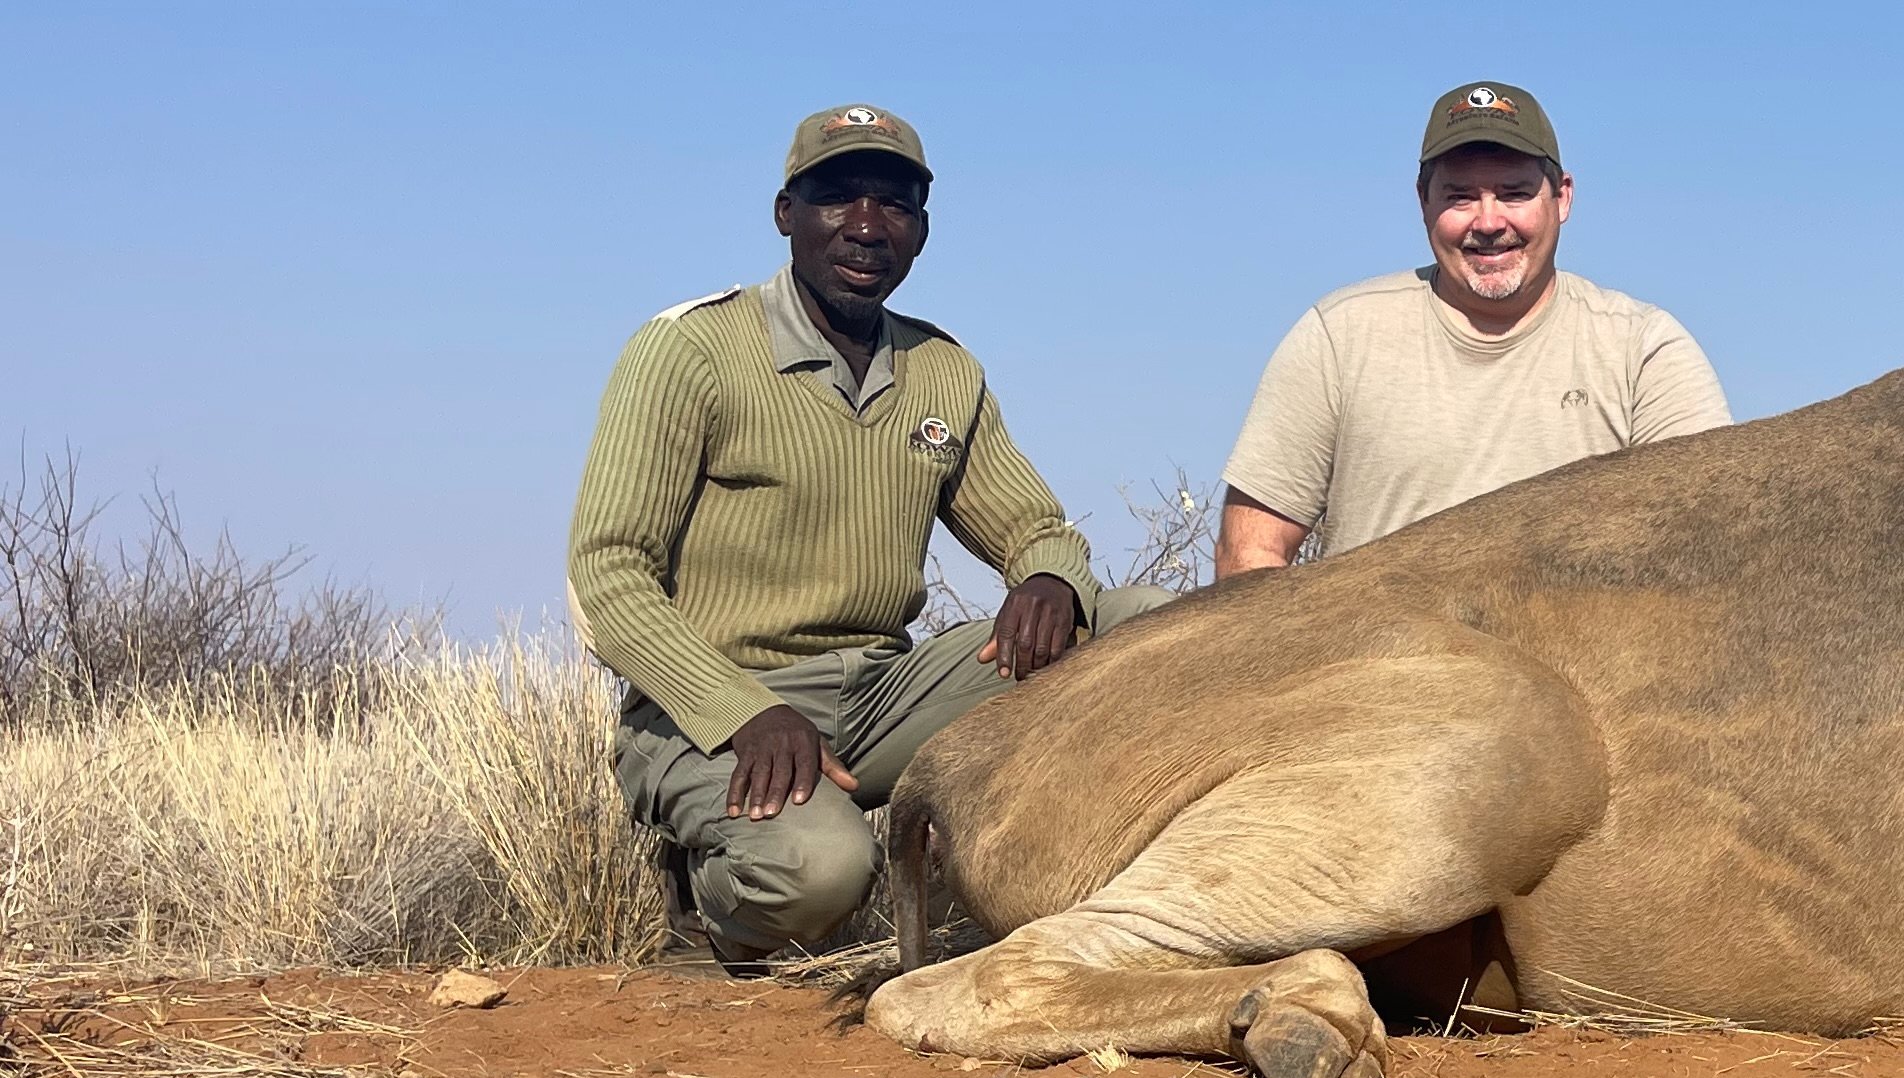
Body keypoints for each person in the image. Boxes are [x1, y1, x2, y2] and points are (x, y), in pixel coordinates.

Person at [567, 104, 1160, 970]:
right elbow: (607, 576)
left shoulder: (943, 368)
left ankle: (1094, 900)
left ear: (922, 228)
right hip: (716, 705)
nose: (867, 226)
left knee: (1139, 624)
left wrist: (1052, 581)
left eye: (895, 204)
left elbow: (1034, 525)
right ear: (786, 214)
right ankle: (708, 927)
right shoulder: (688, 349)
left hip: (882, 696)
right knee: (821, 871)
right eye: (837, 197)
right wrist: (744, 713)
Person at [1213, 79, 1729, 572]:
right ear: (1423, 202)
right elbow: (1250, 554)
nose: (1487, 222)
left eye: (1514, 193)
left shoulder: (1645, 351)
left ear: (1563, 198)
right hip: (1379, 660)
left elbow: (1706, 547)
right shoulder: (1339, 336)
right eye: (1460, 196)